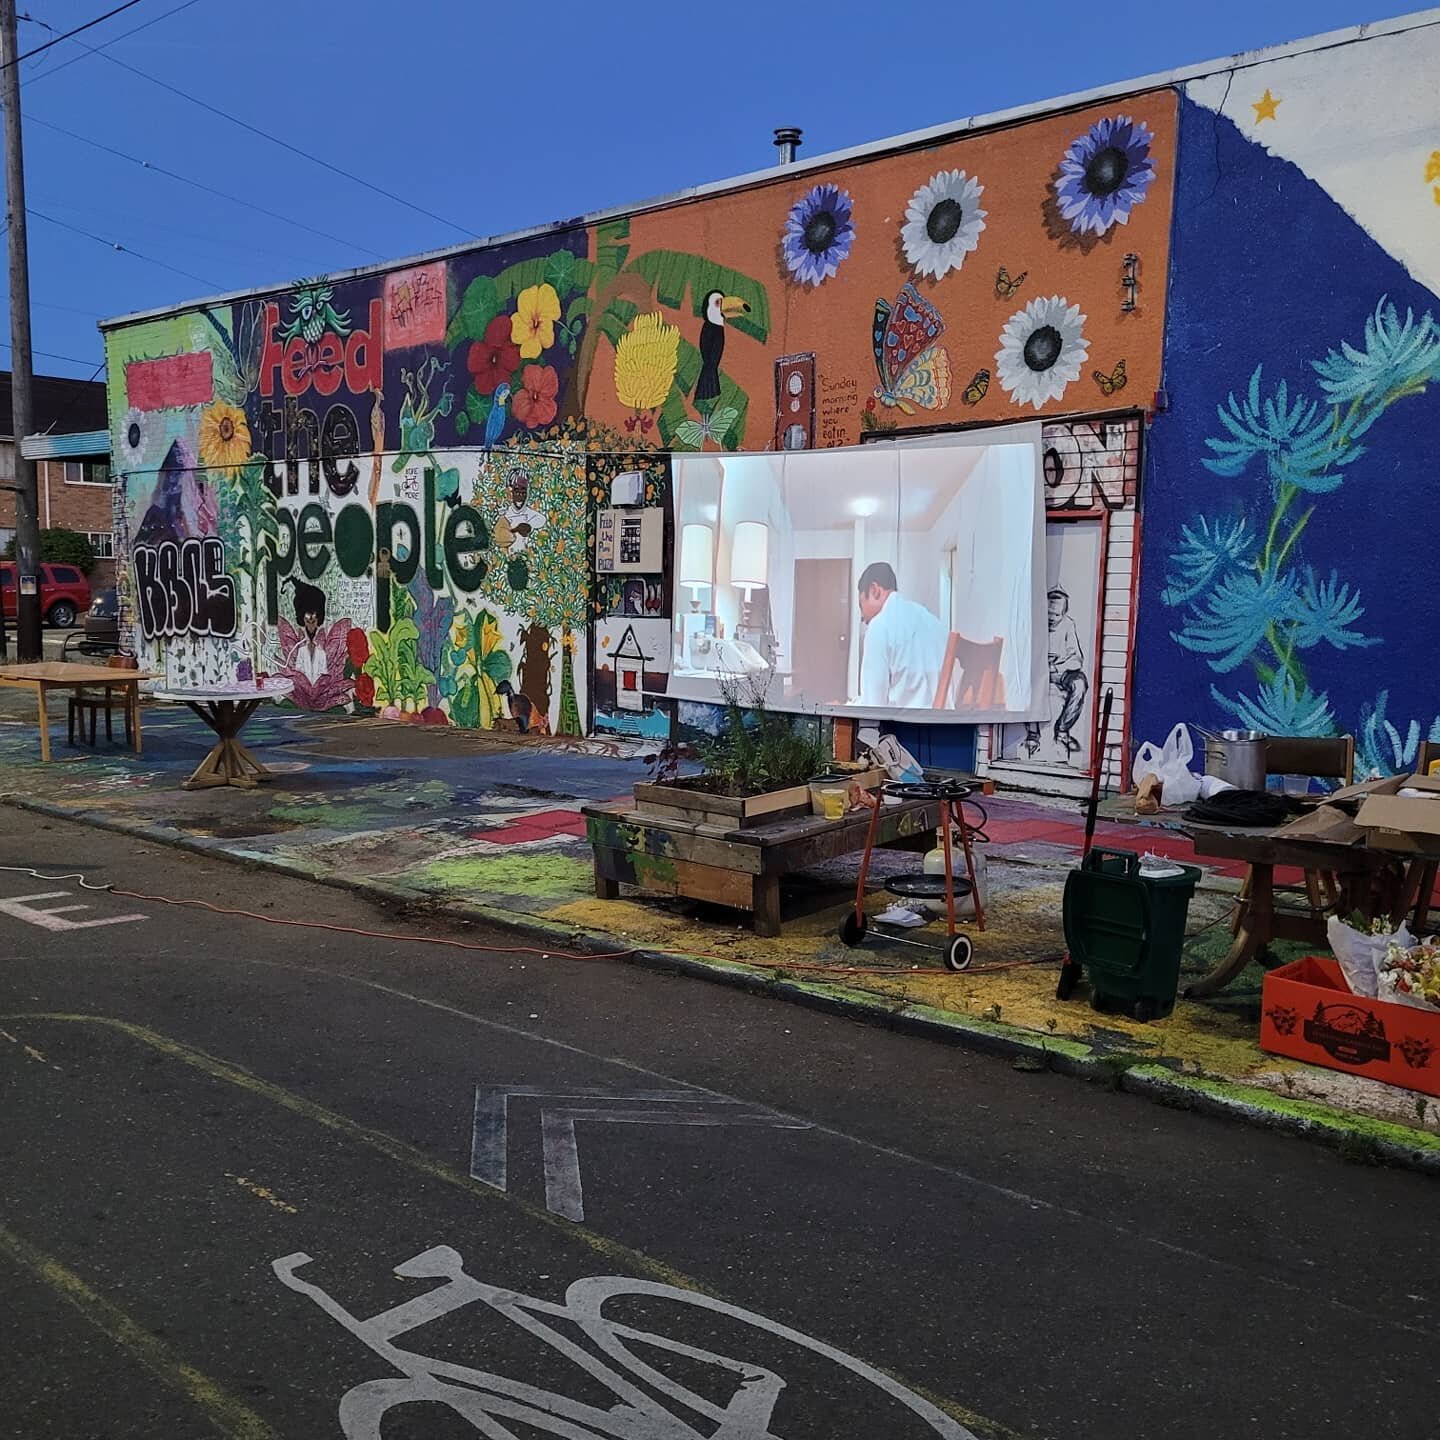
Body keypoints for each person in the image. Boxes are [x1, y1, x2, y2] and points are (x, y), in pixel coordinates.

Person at [856, 561, 951, 708]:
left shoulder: (880, 626)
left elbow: (872, 708)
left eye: (861, 603)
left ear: (874, 590)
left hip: (906, 729)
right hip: (947, 726)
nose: (862, 616)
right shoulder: (932, 621)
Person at [1045, 585, 1088, 757]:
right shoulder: (1034, 622)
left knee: (1080, 684)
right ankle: (1033, 735)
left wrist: (1059, 668)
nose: (1051, 618)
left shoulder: (1068, 626)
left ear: (1063, 614)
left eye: (1056, 614)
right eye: (1048, 613)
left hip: (1062, 671)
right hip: (1039, 671)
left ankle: (1062, 730)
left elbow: (1077, 658)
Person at [494, 468, 548, 556]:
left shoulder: (533, 515)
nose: (520, 495)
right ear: (510, 492)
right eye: (516, 491)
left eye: (523, 491)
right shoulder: (504, 516)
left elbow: (537, 523)